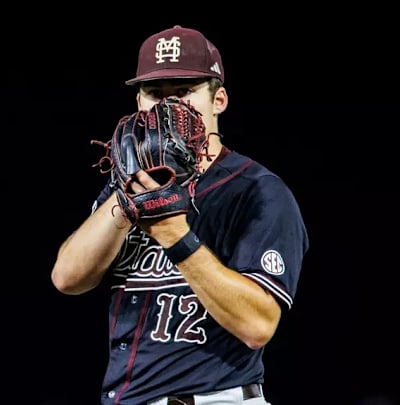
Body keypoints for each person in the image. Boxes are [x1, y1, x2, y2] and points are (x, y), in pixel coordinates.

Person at [50, 25, 309, 405]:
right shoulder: (129, 185)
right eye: (155, 94)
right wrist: (124, 200)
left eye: (184, 92)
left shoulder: (257, 190)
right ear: (139, 102)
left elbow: (257, 325)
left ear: (219, 99)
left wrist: (175, 234)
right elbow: (66, 278)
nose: (168, 107)